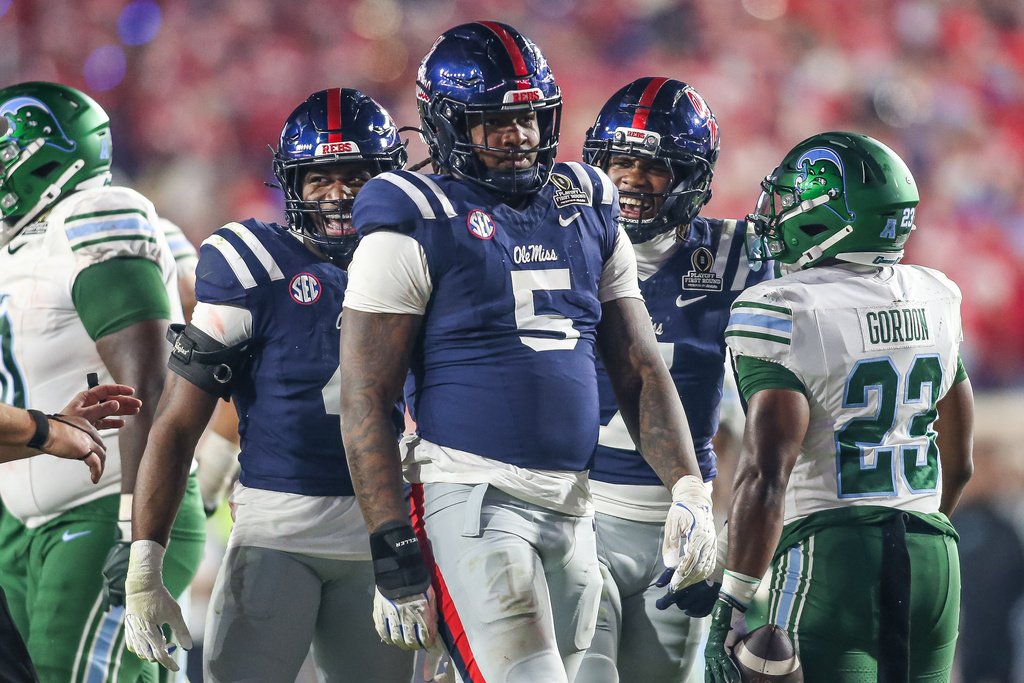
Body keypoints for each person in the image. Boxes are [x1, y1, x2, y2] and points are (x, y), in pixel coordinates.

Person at [338, 22, 717, 683]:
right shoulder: (413, 217)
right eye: (494, 121)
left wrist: (688, 486)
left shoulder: (586, 205)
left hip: (573, 505)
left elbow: (638, 366)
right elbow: (366, 398)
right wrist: (392, 546)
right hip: (471, 495)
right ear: (448, 123)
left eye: (528, 117)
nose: (517, 136)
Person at [122, 88, 415, 683]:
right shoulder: (254, 265)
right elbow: (177, 422)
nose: (338, 195)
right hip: (277, 532)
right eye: (320, 179)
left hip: (380, 537)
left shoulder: (419, 261)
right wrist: (144, 567)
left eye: (356, 177)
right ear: (292, 184)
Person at [704, 132, 974, 682]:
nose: (776, 214)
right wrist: (913, 522)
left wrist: (730, 602)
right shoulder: (936, 294)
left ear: (832, 216)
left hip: (831, 553)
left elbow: (765, 477)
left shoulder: (783, 307)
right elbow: (960, 461)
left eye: (789, 200)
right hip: (935, 555)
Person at [0, 80, 206, 683]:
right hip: (19, 521)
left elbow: (151, 383)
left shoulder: (95, 215)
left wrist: (138, 539)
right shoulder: (18, 248)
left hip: (100, 509)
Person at [575, 77, 772, 683]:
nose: (632, 179)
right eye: (621, 162)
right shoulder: (561, 244)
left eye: (654, 166)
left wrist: (734, 549)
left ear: (690, 176)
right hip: (576, 512)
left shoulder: (737, 255)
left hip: (682, 524)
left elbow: (775, 416)